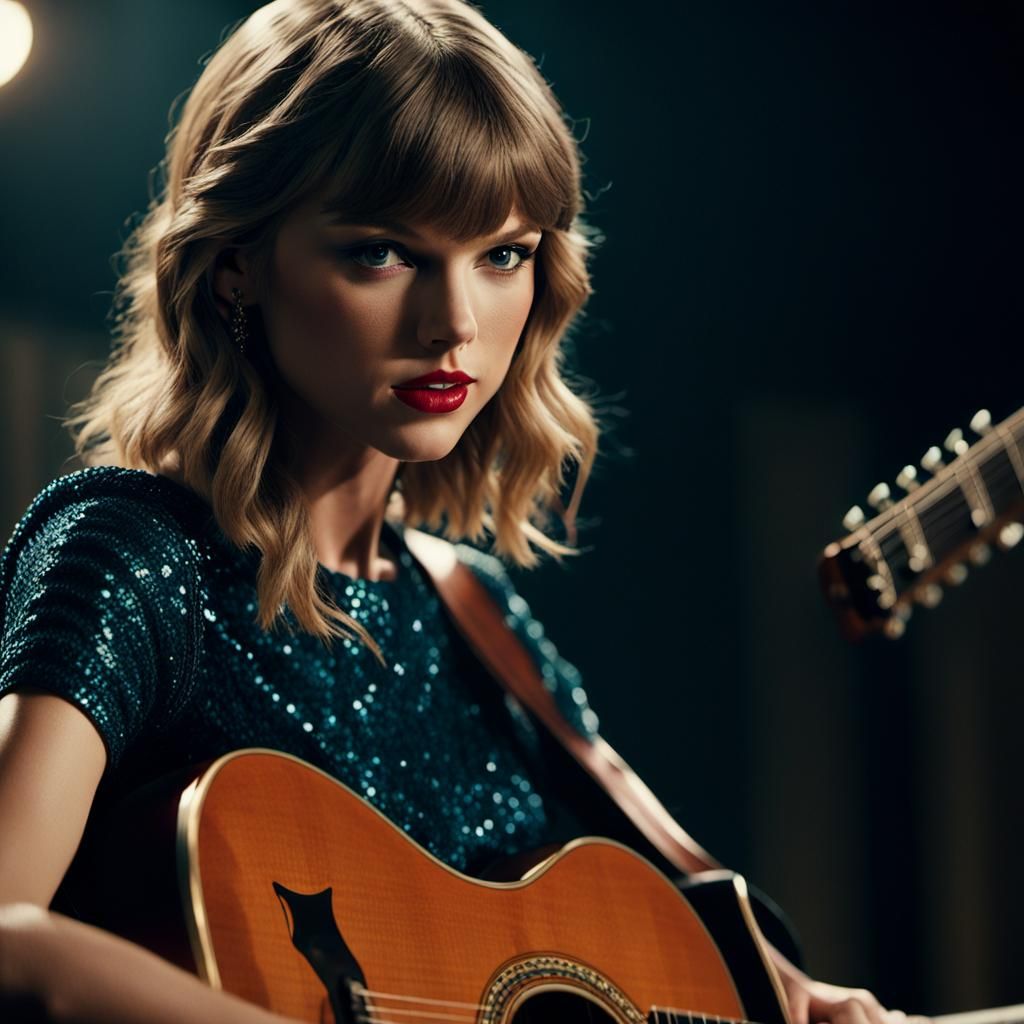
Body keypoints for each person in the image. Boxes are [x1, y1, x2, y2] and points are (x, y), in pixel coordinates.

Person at [0, 1, 918, 1021]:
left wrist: (797, 996)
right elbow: (7, 940)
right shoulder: (131, 557)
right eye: (382, 253)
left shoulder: (473, 614)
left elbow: (668, 949)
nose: (455, 326)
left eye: (503, 254)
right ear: (235, 267)